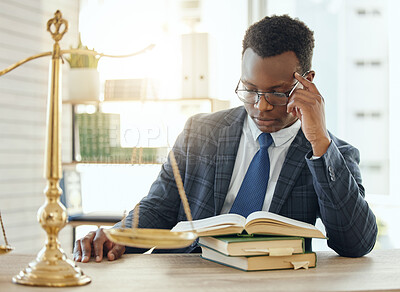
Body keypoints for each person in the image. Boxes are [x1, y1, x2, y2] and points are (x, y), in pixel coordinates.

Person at [73, 15, 377, 263]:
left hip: (274, 281)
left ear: (306, 83)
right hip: (191, 276)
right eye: (250, 89)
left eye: (277, 92)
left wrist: (319, 142)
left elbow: (356, 242)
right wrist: (118, 235)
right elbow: (160, 206)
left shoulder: (331, 153)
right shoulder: (200, 132)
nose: (262, 105)